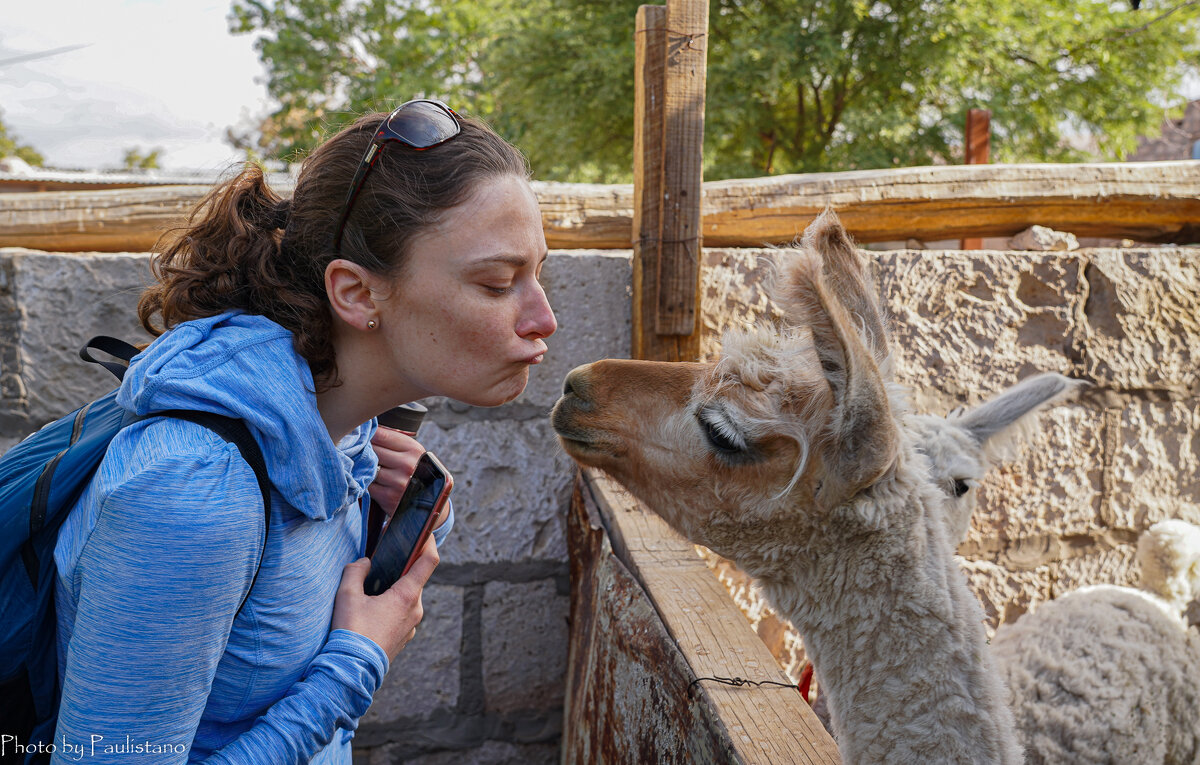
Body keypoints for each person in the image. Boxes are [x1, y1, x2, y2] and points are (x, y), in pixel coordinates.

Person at [50, 100, 556, 762]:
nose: (543, 317)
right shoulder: (191, 492)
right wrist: (355, 664)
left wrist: (386, 528)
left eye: (538, 272)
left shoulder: (345, 434)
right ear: (355, 294)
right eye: (496, 283)